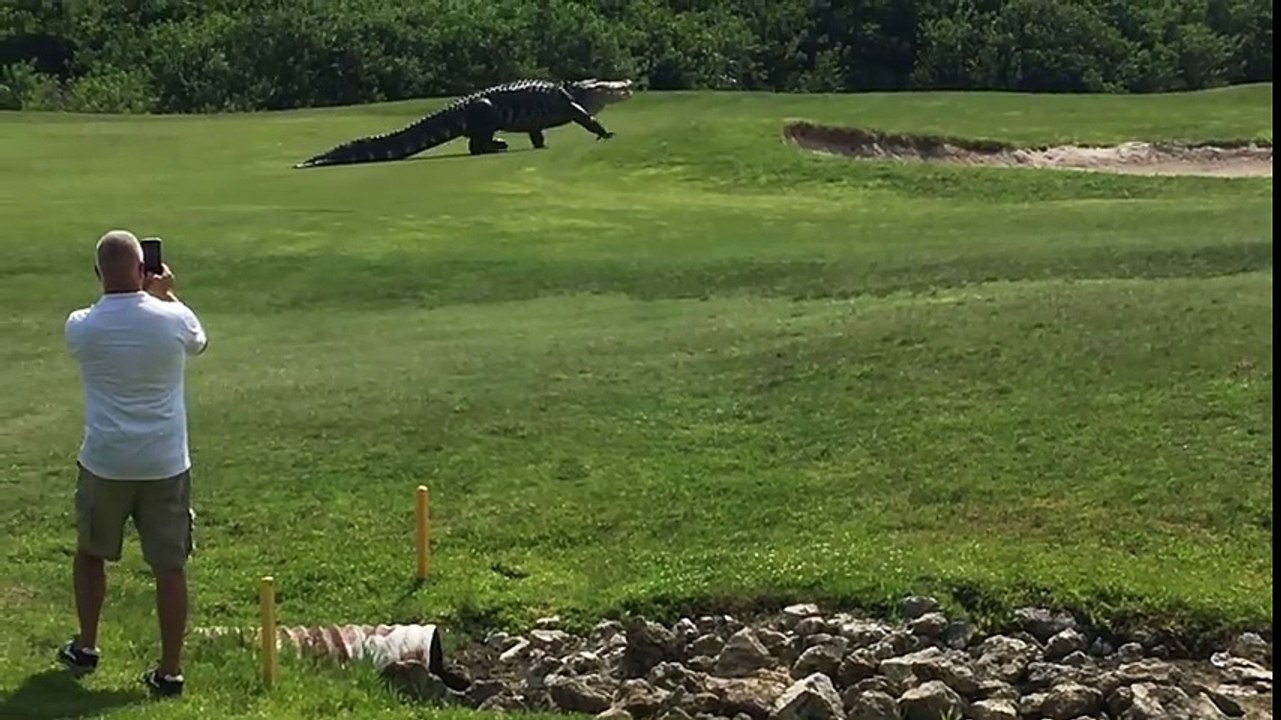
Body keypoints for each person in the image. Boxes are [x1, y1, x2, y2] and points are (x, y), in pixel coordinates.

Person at [58, 229, 209, 698]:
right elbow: (198, 341)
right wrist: (165, 295)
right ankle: (169, 671)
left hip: (105, 461)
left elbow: (103, 317)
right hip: (164, 462)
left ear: (98, 273)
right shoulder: (172, 319)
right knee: (170, 566)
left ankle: (86, 645)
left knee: (90, 553)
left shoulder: (81, 325)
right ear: (145, 271)